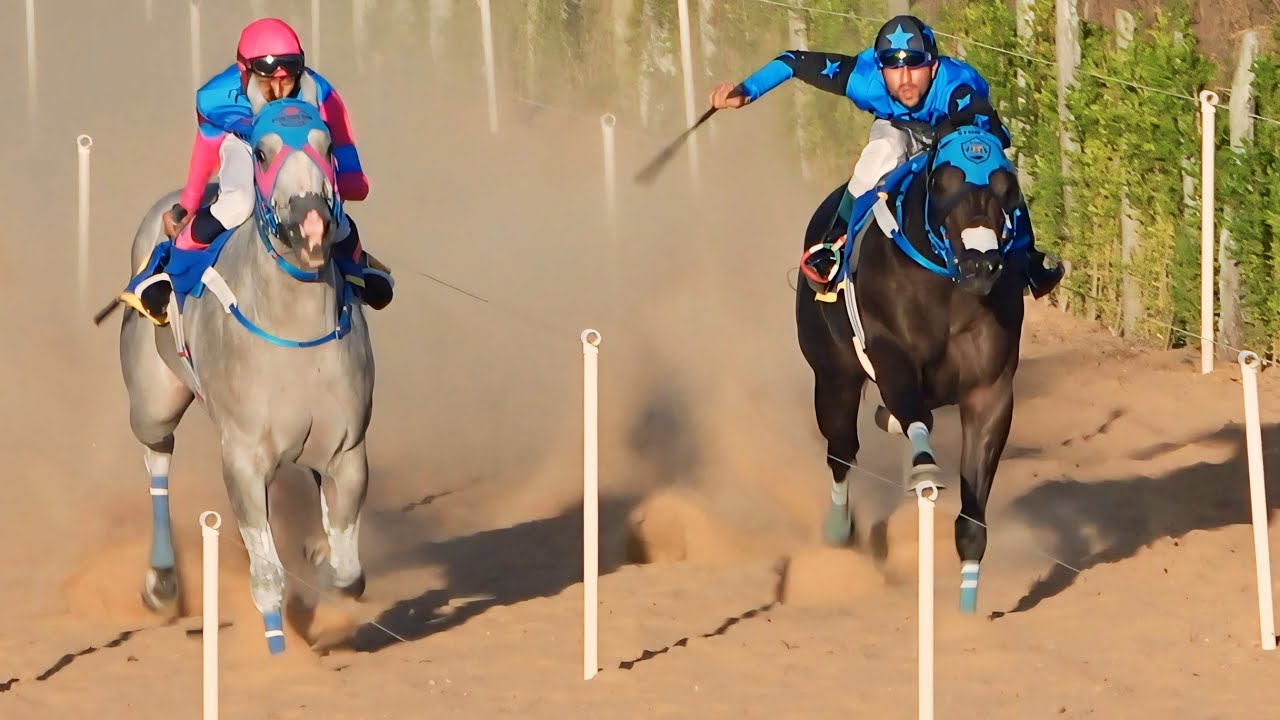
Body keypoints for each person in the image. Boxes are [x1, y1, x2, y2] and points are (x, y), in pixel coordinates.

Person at [708, 14, 1064, 299]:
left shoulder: (957, 84)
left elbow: (986, 131)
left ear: (934, 67)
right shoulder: (864, 80)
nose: (904, 79)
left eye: (915, 65)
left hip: (955, 130)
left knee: (996, 169)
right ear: (879, 69)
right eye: (893, 67)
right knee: (882, 152)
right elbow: (793, 61)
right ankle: (833, 246)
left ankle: (1028, 258)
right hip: (897, 127)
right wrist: (747, 91)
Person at [121, 17, 393, 326]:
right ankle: (169, 267)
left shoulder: (321, 92)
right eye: (267, 82)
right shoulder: (215, 98)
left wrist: (350, 178)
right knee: (239, 202)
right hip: (243, 144)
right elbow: (206, 149)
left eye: (287, 81)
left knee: (328, 207)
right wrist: (189, 204)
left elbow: (341, 140)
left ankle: (357, 265)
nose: (278, 92)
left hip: (300, 150)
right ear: (244, 73)